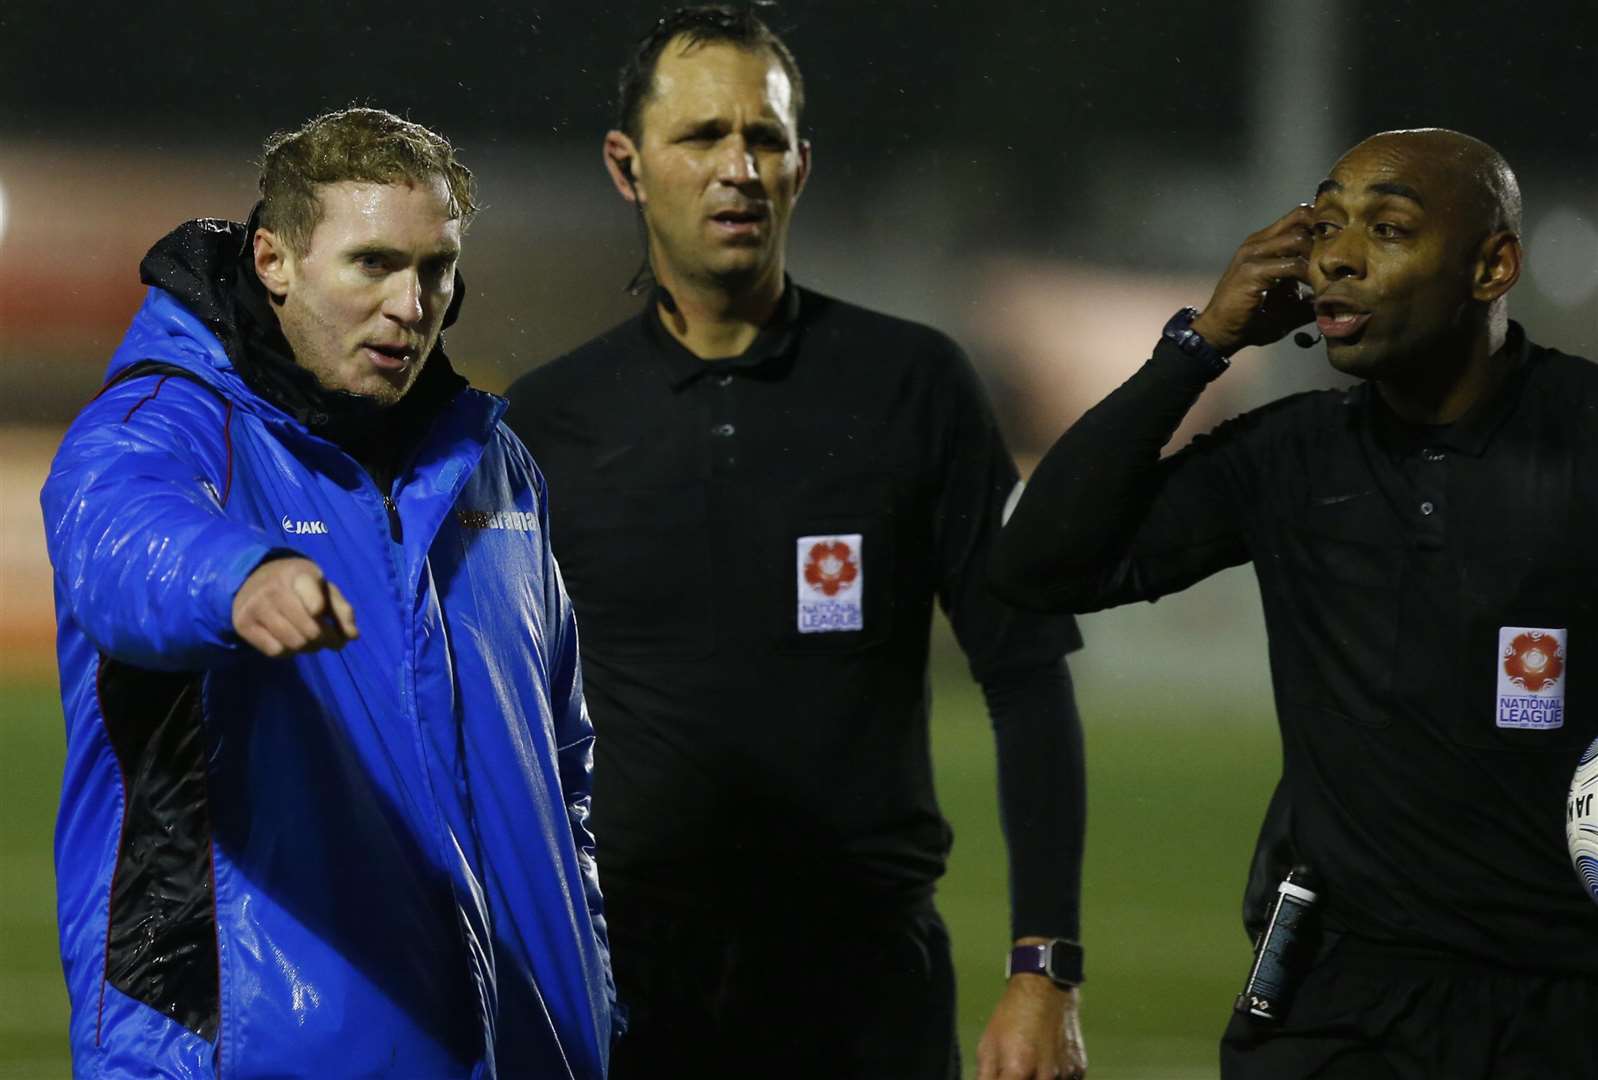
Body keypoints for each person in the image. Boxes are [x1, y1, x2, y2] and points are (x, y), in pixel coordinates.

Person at [503, 7, 1089, 1079]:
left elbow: (1026, 674)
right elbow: (490, 721)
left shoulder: (912, 387)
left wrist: (1043, 965)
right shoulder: (546, 424)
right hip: (626, 984)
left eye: (764, 139)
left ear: (801, 167)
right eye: (702, 137)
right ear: (626, 167)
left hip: (863, 988)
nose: (738, 167)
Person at [992, 127, 1598, 1078]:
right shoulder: (1292, 459)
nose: (1339, 256)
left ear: (1493, 266)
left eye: (1389, 228)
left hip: (1559, 1008)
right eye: (1326, 226)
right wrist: (1197, 347)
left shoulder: (1585, 438)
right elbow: (1038, 567)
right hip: (1332, 1009)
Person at [41, 107, 618, 1078]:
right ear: (274, 260)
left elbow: (565, 770)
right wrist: (235, 574)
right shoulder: (166, 421)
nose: (411, 304)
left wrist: (587, 989)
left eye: (434, 270)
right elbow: (116, 538)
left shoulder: (494, 465)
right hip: (247, 1051)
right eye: (373, 264)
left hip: (520, 1049)